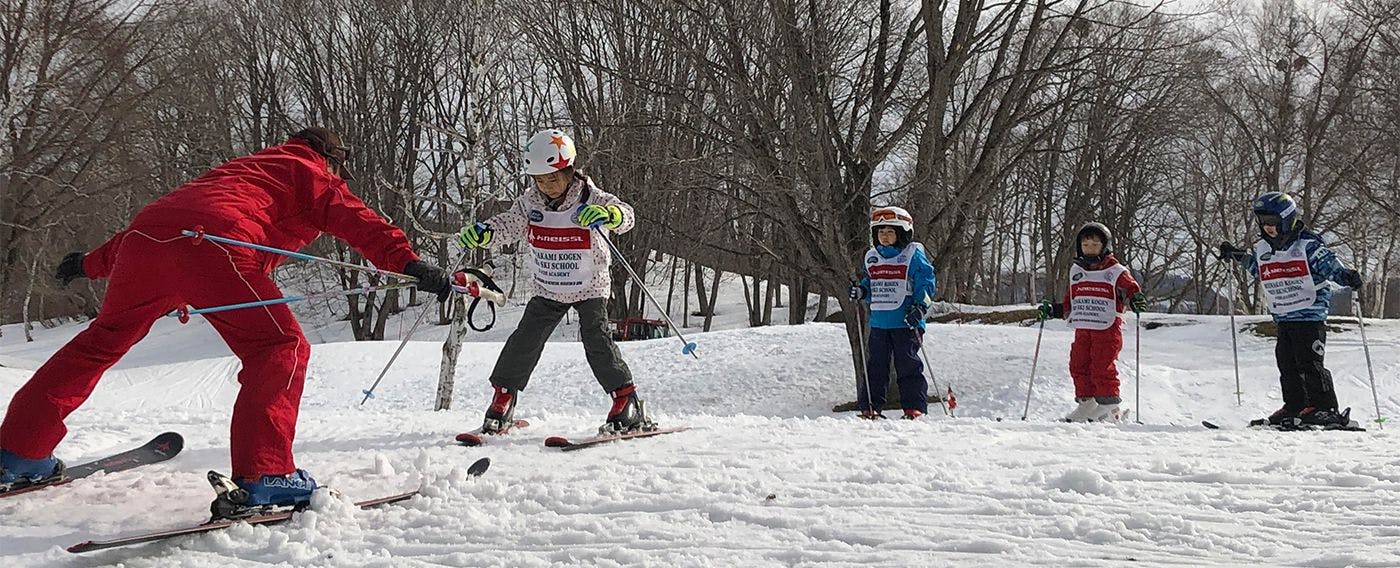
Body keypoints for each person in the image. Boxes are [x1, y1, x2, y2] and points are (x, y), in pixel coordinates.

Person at [0, 127, 453, 510]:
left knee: (97, 345)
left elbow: (159, 226)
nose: (340, 178)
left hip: (143, 244)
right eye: (340, 170)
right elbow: (357, 219)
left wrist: (87, 264)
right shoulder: (310, 172)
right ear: (330, 160)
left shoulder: (241, 171)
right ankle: (267, 473)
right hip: (215, 245)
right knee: (278, 347)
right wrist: (408, 263)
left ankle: (18, 452)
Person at [456, 129, 648, 435]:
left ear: (569, 171)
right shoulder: (530, 202)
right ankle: (503, 398)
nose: (547, 186)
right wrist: (486, 232)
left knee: (597, 340)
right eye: (540, 180)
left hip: (589, 286)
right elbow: (510, 223)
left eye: (553, 178)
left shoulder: (591, 197)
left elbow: (627, 216)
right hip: (549, 286)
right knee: (525, 340)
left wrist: (608, 215)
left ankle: (626, 400)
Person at [1219, 192, 1362, 427]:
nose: (1268, 227)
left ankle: (1325, 407)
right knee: (1286, 362)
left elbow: (1329, 265)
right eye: (1263, 222)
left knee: (1309, 362)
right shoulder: (1263, 248)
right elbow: (1262, 271)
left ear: (1286, 219)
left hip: (1309, 314)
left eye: (1273, 222)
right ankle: (1296, 406)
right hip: (1284, 314)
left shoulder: (1307, 245)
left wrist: (1346, 276)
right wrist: (1239, 256)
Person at [1037, 222, 1145, 422]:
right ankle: (1087, 403)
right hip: (1083, 326)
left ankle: (1109, 404)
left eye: (1095, 245)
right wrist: (1054, 310)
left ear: (1104, 246)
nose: (1090, 249)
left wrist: (1135, 299)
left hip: (1107, 327)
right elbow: (1071, 301)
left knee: (1101, 364)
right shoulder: (1077, 271)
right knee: (1078, 364)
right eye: (1085, 245)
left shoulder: (1115, 271)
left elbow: (1130, 288)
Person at [847, 206, 937, 419]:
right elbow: (870, 283)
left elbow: (927, 284)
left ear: (902, 233)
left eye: (890, 232)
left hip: (906, 322)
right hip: (879, 322)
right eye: (881, 232)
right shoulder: (872, 257)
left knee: (907, 365)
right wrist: (861, 291)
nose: (885, 237)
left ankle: (914, 407)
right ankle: (870, 407)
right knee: (876, 367)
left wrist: (920, 307)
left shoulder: (912, 255)